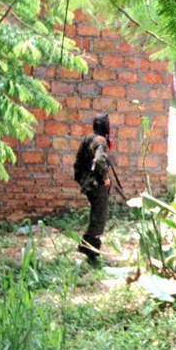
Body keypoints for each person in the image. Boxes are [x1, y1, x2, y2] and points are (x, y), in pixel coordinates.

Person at [74, 112, 112, 262]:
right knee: (100, 218)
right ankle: (91, 250)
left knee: (96, 216)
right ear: (105, 126)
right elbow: (100, 160)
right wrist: (105, 178)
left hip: (87, 182)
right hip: (95, 184)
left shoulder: (89, 138)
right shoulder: (100, 141)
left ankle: (86, 245)